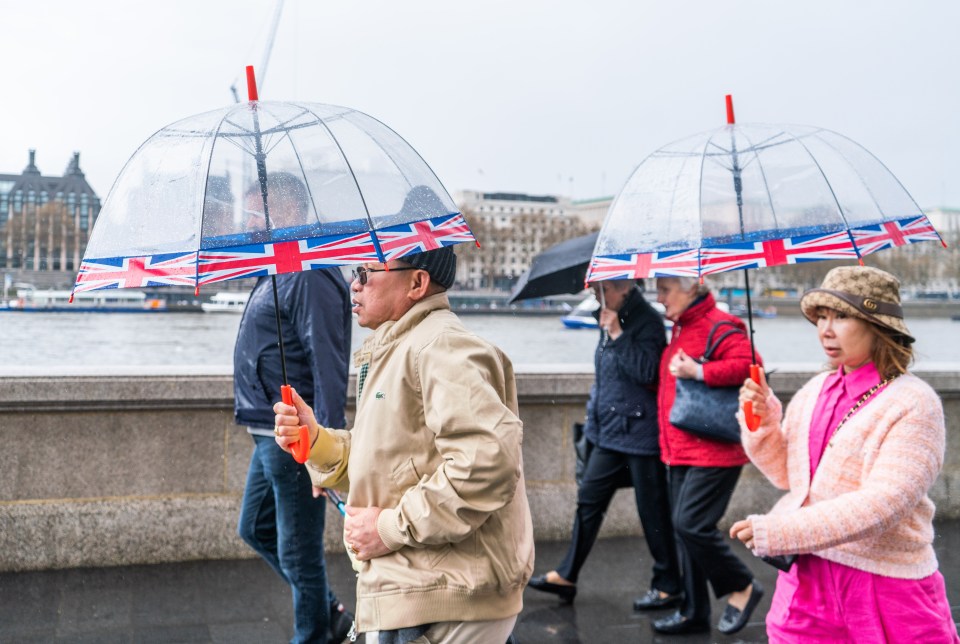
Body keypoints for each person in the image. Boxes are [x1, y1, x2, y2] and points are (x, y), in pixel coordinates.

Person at [273, 244, 535, 644]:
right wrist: (317, 442)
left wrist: (389, 529)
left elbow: (487, 465)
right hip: (425, 584)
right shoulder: (403, 346)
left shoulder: (440, 346)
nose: (353, 285)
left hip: (438, 593)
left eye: (366, 272)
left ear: (416, 282)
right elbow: (394, 459)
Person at [732, 266, 960, 642]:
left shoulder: (915, 403)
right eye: (821, 316)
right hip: (807, 584)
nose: (825, 329)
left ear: (878, 325)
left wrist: (781, 530)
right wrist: (764, 424)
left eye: (841, 316)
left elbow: (884, 504)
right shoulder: (816, 389)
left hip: (885, 585)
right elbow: (790, 478)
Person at [234, 173, 354, 644]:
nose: (248, 225)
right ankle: (329, 614)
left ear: (284, 211)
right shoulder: (279, 268)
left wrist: (326, 456)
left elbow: (328, 361)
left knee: (299, 553)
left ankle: (315, 635)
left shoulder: (309, 271)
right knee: (256, 529)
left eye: (253, 214)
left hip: (293, 438)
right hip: (268, 431)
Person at [527, 278, 682, 610]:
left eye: (601, 289)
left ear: (623, 286)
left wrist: (617, 335)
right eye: (594, 290)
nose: (596, 296)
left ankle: (669, 584)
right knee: (588, 501)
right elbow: (606, 375)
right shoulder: (609, 314)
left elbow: (648, 373)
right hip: (609, 433)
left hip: (641, 434)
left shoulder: (647, 321)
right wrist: (593, 420)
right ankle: (567, 575)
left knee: (652, 511)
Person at [651, 276, 764, 636]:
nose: (660, 296)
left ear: (692, 288)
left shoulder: (720, 323)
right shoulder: (681, 328)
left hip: (715, 449)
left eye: (666, 288)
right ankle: (693, 612)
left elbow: (751, 366)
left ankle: (743, 584)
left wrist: (698, 370)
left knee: (691, 525)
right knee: (683, 532)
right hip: (681, 448)